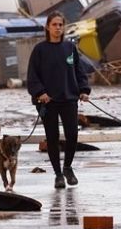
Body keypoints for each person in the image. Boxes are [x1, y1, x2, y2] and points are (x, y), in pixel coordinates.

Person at [27, 11, 90, 189]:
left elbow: (79, 71)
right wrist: (40, 93)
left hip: (69, 98)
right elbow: (32, 76)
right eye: (54, 25)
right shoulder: (39, 50)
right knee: (52, 138)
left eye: (60, 25)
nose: (58, 28)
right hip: (48, 102)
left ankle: (68, 167)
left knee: (72, 135)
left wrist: (84, 90)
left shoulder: (70, 48)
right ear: (47, 27)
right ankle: (58, 175)